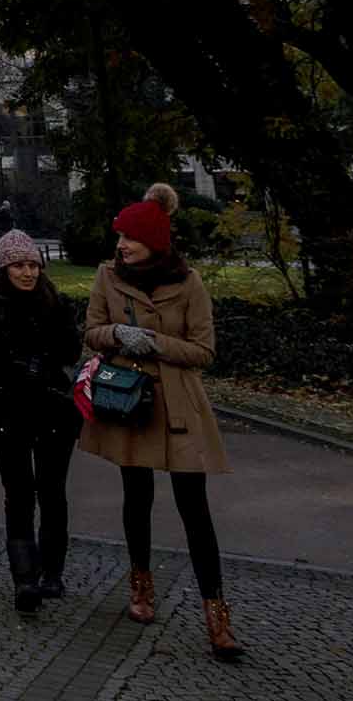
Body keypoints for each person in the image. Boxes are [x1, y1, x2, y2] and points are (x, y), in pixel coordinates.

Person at [81, 199, 245, 661]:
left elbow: (204, 351)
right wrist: (116, 335)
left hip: (176, 406)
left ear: (153, 242)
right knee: (137, 498)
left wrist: (155, 343)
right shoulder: (107, 276)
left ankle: (217, 616)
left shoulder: (188, 282)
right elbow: (90, 331)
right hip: (130, 402)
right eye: (118, 237)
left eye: (129, 238)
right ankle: (141, 588)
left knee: (195, 510)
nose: (121, 246)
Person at [0, 230, 81, 612]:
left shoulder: (56, 303)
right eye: (18, 266)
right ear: (4, 268)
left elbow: (71, 350)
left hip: (52, 406)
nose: (27, 273)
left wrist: (46, 360)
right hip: (7, 407)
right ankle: (24, 578)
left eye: (32, 265)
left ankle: (52, 572)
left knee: (53, 490)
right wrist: (5, 365)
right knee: (19, 493)